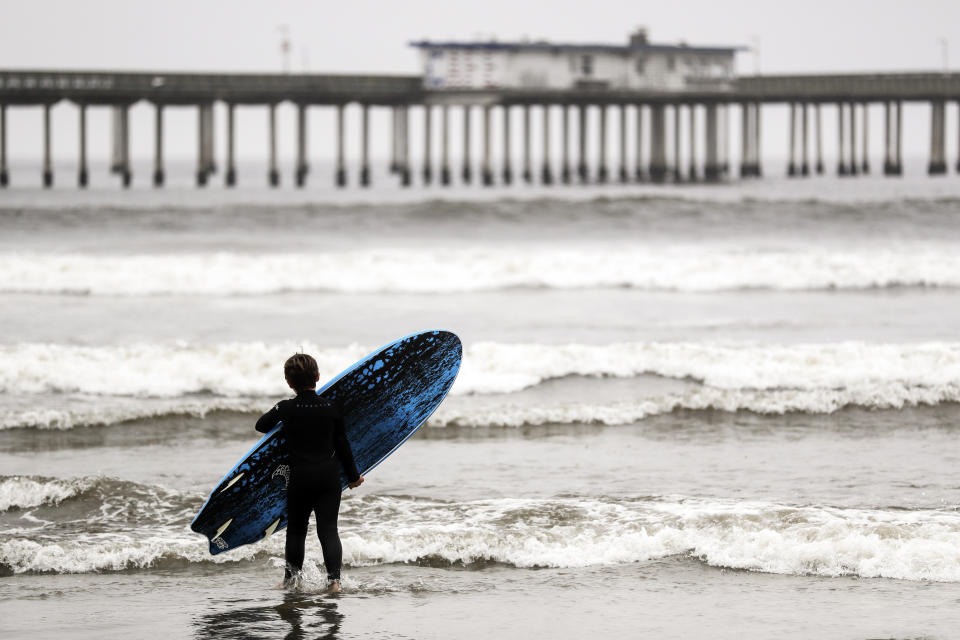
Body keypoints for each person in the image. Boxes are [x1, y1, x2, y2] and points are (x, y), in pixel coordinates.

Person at [256, 353, 364, 592]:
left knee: (296, 530)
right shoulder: (332, 407)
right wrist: (354, 476)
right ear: (317, 376)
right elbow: (342, 444)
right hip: (328, 477)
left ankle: (290, 582)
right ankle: (334, 582)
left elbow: (261, 425)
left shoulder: (286, 407)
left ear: (288, 382)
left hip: (300, 478)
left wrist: (280, 410)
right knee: (329, 529)